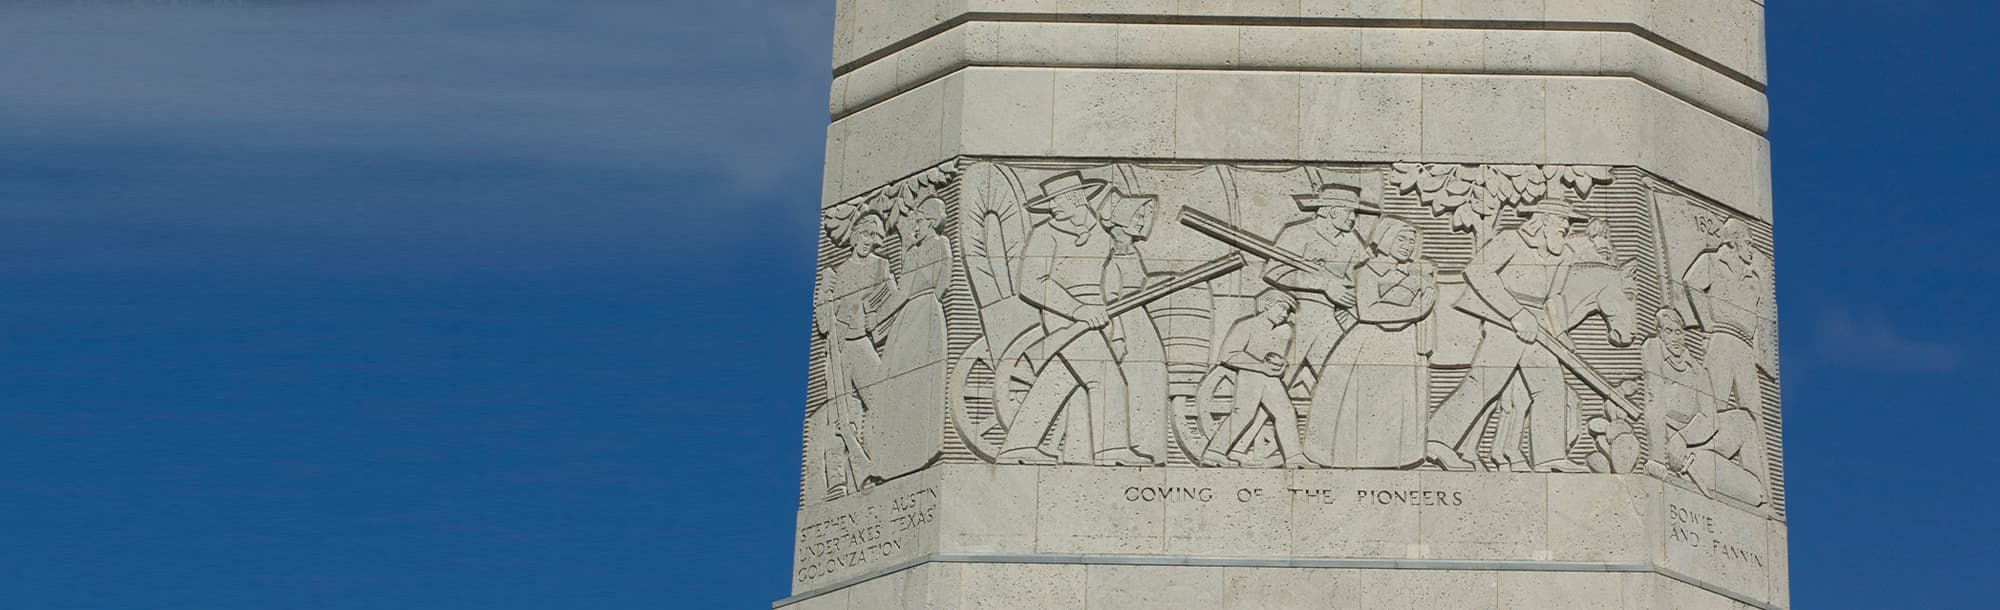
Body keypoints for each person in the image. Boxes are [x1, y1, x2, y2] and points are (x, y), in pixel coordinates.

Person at [1424, 196, 1591, 472]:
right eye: (1562, 220)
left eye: (1569, 222)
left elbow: (1553, 298)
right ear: (1543, 219)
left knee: (1551, 386)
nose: (1567, 226)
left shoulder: (1565, 255)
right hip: (1503, 319)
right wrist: (1515, 313)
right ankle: (1437, 440)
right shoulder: (1511, 240)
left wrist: (1560, 333)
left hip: (1537, 326)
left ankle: (1550, 458)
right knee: (1486, 382)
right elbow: (1477, 272)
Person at [996, 172, 1151, 466]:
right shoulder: (1045, 234)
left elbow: (1106, 284)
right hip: (1062, 316)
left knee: (1057, 379)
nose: (1052, 207)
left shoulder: (1103, 236)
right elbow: (1031, 283)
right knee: (1106, 378)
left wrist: (1114, 330)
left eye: (1055, 200)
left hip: (1098, 314)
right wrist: (1077, 309)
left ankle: (1017, 446)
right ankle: (1111, 450)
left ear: (1076, 198)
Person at [1302, 217, 1438, 468]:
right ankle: (1348, 458)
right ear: (1386, 239)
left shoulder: (1417, 273)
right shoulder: (1367, 271)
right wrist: (1418, 309)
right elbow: (1369, 312)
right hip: (1368, 345)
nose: (1407, 245)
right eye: (1401, 238)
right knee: (1360, 404)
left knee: (1395, 405)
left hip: (1404, 347)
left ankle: (1395, 459)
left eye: (1412, 241)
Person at [1677, 218, 1773, 504]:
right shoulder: (1712, 261)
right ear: (1732, 240)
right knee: (1712, 406)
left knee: (1753, 416)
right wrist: (1707, 324)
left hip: (1744, 348)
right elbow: (1690, 284)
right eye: (1746, 241)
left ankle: (1764, 490)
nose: (1750, 247)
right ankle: (1693, 459)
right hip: (1721, 340)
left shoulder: (1753, 277)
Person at [1263, 182, 1384, 392]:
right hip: (1300, 316)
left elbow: (1361, 277)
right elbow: (1274, 272)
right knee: (1281, 378)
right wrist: (1324, 285)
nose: (1354, 219)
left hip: (1333, 319)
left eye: (1355, 213)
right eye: (1350, 212)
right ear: (1330, 211)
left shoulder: (1351, 241)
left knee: (1340, 380)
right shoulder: (1297, 233)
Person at [812, 213, 900, 491]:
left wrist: (873, 316)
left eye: (874, 238)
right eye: (864, 236)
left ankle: (880, 463)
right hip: (838, 351)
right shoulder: (836, 273)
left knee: (883, 400)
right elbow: (824, 325)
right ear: (855, 236)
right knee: (838, 417)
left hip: (862, 342)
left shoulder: (880, 266)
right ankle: (838, 480)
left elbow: (891, 304)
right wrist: (823, 299)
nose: (868, 243)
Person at [1201, 289, 1313, 468]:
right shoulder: (1246, 325)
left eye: (1288, 312)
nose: (1284, 315)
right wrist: (1261, 366)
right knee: (1242, 415)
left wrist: (1280, 367)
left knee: (1285, 412)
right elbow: (1228, 355)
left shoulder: (1281, 333)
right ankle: (1214, 453)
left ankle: (1294, 457)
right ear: (1268, 305)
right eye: (1282, 308)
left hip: (1270, 380)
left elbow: (1280, 360)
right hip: (1250, 376)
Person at [1099, 191, 1170, 465]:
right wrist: (1116, 335)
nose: (1142, 222)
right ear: (1121, 217)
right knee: (1130, 380)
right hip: (1122, 322)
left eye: (1144, 216)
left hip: (1138, 319)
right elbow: (1110, 296)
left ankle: (1148, 445)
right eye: (1137, 215)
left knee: (1151, 376)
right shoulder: (1107, 253)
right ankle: (1124, 445)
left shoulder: (1132, 251)